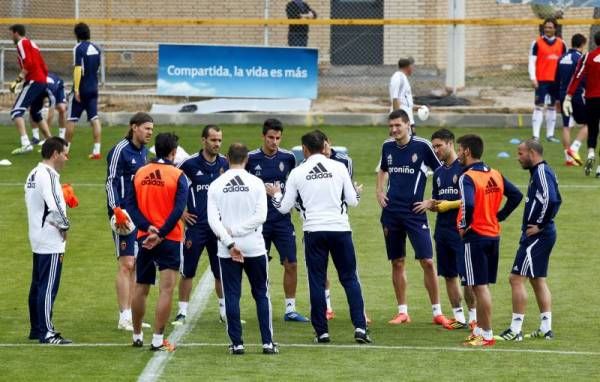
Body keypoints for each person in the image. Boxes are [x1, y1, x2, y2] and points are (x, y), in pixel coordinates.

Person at [268, 130, 371, 344]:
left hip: (314, 231)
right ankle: (360, 327)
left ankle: (322, 332)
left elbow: (284, 208)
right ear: (325, 146)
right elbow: (353, 201)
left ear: (304, 149)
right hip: (340, 230)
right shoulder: (339, 167)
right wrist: (358, 191)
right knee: (350, 279)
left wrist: (275, 194)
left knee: (316, 281)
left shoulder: (298, 172)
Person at [376, 109, 450, 326]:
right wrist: (379, 191)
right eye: (391, 126)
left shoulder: (423, 146)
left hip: (415, 214)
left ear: (408, 125)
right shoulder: (387, 146)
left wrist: (430, 201)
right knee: (397, 262)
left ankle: (437, 312)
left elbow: (442, 172)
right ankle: (402, 311)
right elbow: (382, 170)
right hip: (391, 213)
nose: (393, 130)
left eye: (398, 125)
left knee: (427, 261)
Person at [207, 143, 277, 355]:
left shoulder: (216, 184)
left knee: (231, 295)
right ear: (247, 159)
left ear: (227, 158)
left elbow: (213, 220)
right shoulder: (256, 183)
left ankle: (237, 343)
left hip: (227, 248)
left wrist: (230, 240)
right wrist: (239, 232)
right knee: (262, 294)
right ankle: (267, 343)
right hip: (254, 246)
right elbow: (261, 217)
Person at [456, 134, 523, 346]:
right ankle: (482, 331)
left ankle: (486, 335)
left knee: (479, 287)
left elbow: (469, 204)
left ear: (467, 151)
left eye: (459, 150)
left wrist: (464, 226)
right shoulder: (495, 174)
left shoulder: (467, 177)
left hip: (475, 236)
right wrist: (500, 216)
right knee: (482, 286)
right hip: (493, 235)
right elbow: (517, 196)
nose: (458, 153)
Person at [127, 132, 188, 352]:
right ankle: (157, 340)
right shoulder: (178, 175)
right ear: (173, 152)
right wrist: (161, 233)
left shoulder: (140, 173)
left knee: (141, 287)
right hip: (169, 239)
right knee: (166, 290)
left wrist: (147, 228)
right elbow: (178, 210)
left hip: (144, 238)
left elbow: (130, 206)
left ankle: (136, 335)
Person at [496, 139, 561, 342]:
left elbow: (552, 199)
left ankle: (515, 330)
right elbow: (556, 199)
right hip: (543, 233)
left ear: (532, 153)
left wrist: (540, 225)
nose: (518, 158)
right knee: (537, 279)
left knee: (516, 278)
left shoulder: (541, 172)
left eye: (521, 153)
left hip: (538, 235)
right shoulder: (541, 172)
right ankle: (545, 327)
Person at [246, 119, 309, 322]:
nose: (274, 142)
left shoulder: (289, 158)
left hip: (282, 221)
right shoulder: (251, 159)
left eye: (278, 138)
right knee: (258, 266)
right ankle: (263, 305)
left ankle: (290, 309)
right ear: (263, 136)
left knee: (291, 263)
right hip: (259, 222)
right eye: (271, 137)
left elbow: (295, 184)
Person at [414, 129, 477, 330]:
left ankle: (474, 316)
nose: (436, 150)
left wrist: (448, 205)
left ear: (450, 144)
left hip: (462, 230)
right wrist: (430, 203)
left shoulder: (465, 169)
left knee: (467, 277)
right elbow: (438, 200)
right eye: (433, 147)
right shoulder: (439, 172)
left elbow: (471, 200)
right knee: (449, 275)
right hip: (442, 231)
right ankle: (459, 317)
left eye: (439, 145)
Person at [172, 125, 229, 326]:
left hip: (218, 228)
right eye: (213, 140)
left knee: (220, 270)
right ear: (203, 140)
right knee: (188, 270)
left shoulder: (225, 163)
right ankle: (182, 312)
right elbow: (171, 185)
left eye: (220, 140)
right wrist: (181, 212)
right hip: (196, 227)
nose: (217, 144)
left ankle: (225, 311)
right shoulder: (187, 164)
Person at [105, 112, 154, 332]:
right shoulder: (119, 150)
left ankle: (131, 315)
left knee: (135, 264)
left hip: (139, 216)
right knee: (126, 264)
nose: (149, 133)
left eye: (151, 130)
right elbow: (110, 182)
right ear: (134, 127)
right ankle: (123, 316)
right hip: (123, 215)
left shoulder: (144, 152)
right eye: (146, 128)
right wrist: (117, 211)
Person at [25, 137, 71, 344]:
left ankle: (36, 328)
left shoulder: (33, 173)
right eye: (64, 153)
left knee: (37, 284)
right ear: (55, 154)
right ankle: (46, 332)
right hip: (50, 239)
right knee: (48, 286)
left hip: (37, 235)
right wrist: (65, 226)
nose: (66, 158)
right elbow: (54, 207)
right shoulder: (49, 175)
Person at [8, 24, 51, 155]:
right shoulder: (33, 44)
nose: (11, 37)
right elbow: (43, 65)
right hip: (42, 80)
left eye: (11, 34)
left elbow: (29, 63)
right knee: (35, 113)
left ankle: (26, 144)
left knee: (16, 111)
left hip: (34, 81)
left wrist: (18, 81)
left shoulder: (21, 43)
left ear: (16, 33)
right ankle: (52, 144)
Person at [564, 31, 600, 177]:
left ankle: (591, 152)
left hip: (591, 99)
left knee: (592, 128)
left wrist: (568, 96)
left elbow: (577, 76)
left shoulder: (587, 57)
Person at [65, 22, 102, 159]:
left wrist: (76, 89)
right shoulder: (97, 48)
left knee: (71, 119)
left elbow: (78, 69)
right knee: (94, 118)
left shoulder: (78, 48)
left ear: (77, 35)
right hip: (94, 87)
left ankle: (65, 151)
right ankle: (97, 151)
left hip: (82, 88)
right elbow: (97, 68)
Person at [528, 18, 566, 143]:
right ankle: (535, 136)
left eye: (550, 27)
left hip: (556, 80)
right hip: (541, 80)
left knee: (552, 107)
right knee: (538, 106)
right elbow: (532, 61)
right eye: (546, 27)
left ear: (555, 28)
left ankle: (550, 135)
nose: (547, 29)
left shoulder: (562, 44)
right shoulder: (537, 43)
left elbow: (564, 63)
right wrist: (533, 77)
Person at [556, 33, 588, 167]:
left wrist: (557, 99)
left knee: (566, 126)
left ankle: (568, 158)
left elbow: (556, 79)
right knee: (589, 123)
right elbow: (583, 77)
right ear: (582, 44)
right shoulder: (580, 58)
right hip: (575, 94)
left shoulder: (562, 58)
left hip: (563, 95)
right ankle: (574, 148)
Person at [389, 58, 417, 132]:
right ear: (408, 67)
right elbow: (395, 98)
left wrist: (416, 107)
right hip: (402, 117)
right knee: (403, 142)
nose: (413, 69)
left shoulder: (403, 77)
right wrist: (397, 120)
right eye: (412, 66)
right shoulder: (399, 78)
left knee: (411, 140)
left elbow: (404, 99)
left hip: (407, 116)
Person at [45, 72, 68, 140]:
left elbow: (51, 110)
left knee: (62, 109)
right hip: (46, 87)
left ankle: (62, 136)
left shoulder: (50, 85)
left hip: (57, 87)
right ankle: (40, 137)